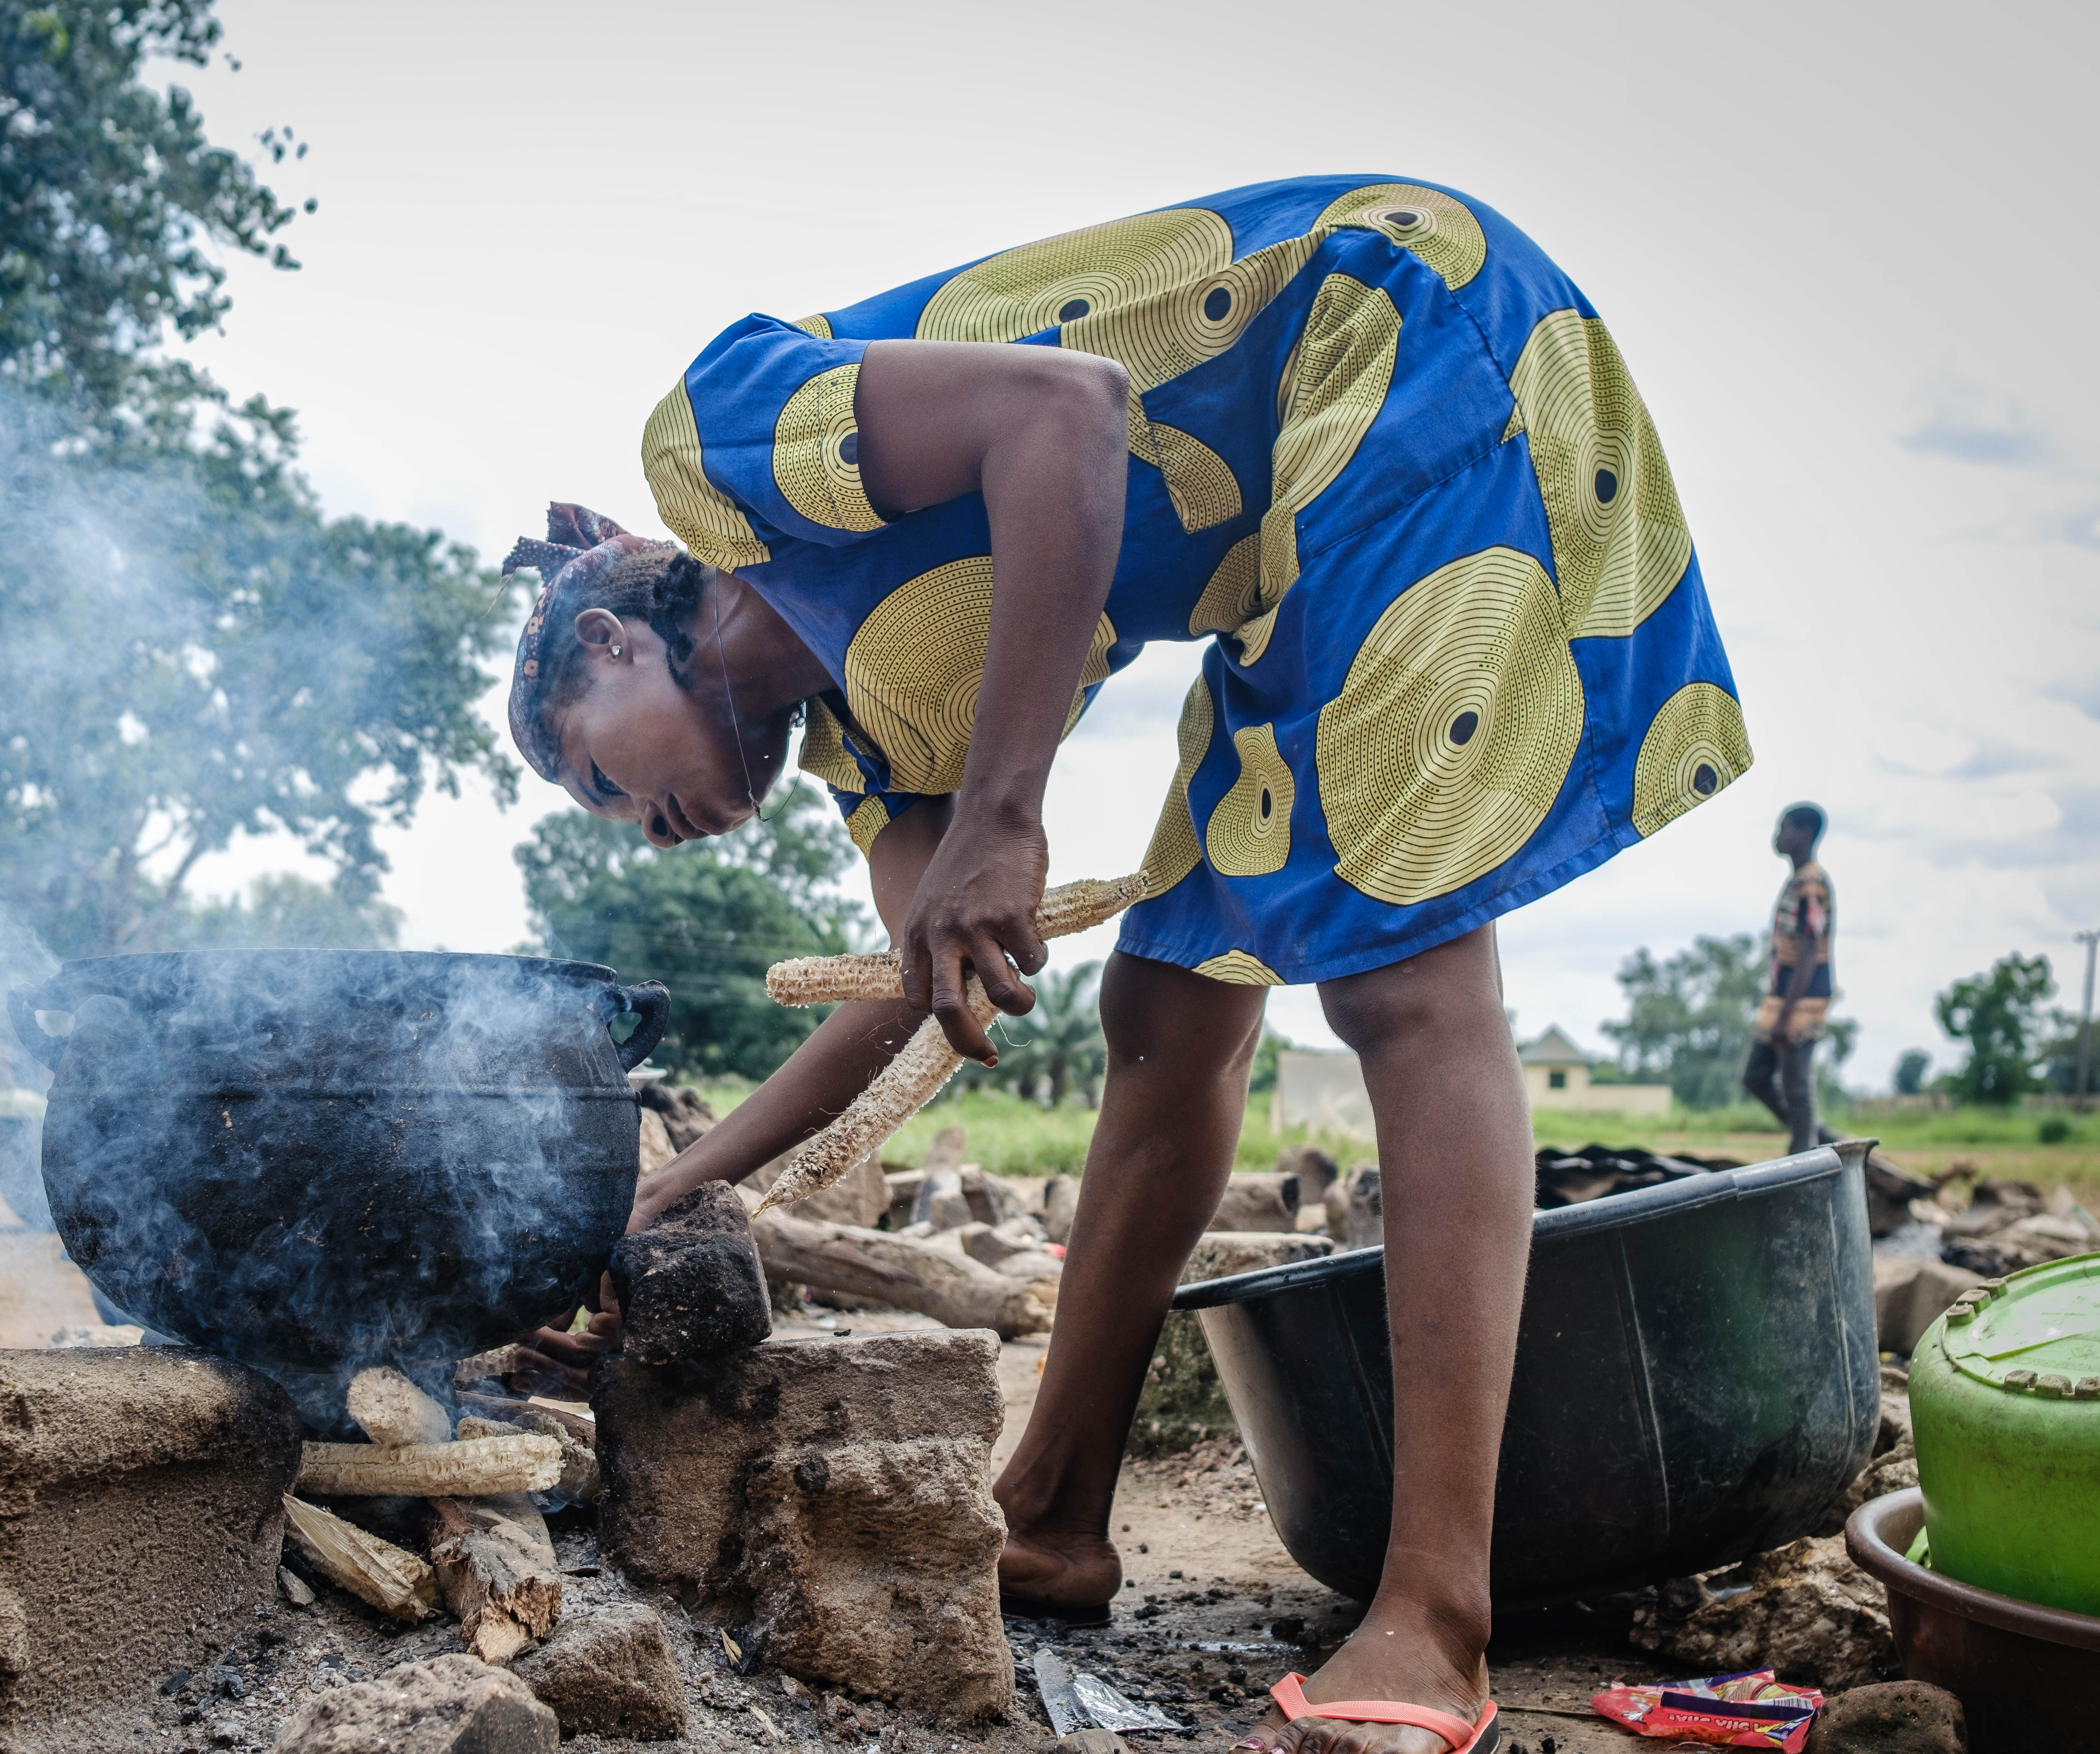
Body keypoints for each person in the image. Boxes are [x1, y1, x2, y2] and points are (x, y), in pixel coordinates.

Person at [506, 176, 1751, 1754]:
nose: (647, 832)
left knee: (1403, 980)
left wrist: (1008, 817)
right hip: (1275, 559)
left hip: (1395, 335)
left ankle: (1436, 1614)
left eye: (603, 782)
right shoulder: (870, 744)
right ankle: (1053, 1503)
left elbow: (1070, 417)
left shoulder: (725, 441)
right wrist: (671, 1196)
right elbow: (911, 988)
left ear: (613, 642)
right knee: (1166, 1010)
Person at [1743, 804, 1838, 1156]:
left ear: (1806, 835)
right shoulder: (1797, 880)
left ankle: (1804, 1157)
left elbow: (1811, 948)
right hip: (1781, 997)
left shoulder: (1811, 884)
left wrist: (1787, 1013)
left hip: (1801, 1000)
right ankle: (1821, 1139)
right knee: (1755, 1074)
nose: (1777, 835)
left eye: (1785, 827)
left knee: (1796, 1086)